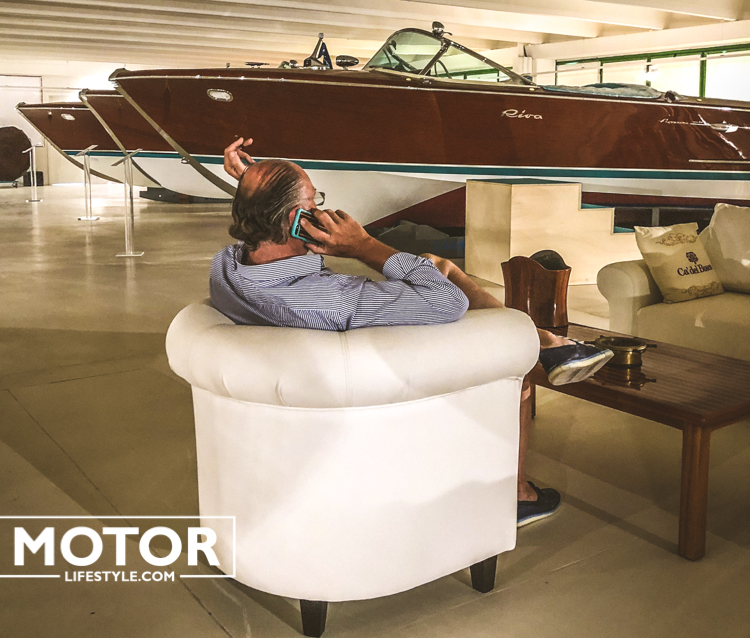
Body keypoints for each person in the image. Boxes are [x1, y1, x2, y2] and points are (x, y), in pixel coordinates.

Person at [211, 137, 613, 526]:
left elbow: (265, 215)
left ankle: (545, 342)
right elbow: (448, 302)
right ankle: (517, 489)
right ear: (295, 221)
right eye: (314, 203)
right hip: (395, 375)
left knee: (436, 264)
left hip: (338, 361)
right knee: (504, 344)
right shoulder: (333, 300)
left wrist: (252, 184)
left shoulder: (227, 267)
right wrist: (364, 246)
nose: (322, 210)